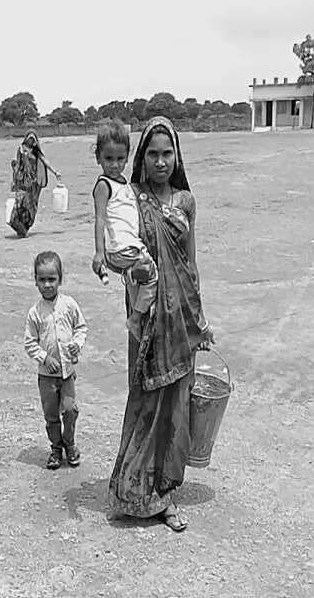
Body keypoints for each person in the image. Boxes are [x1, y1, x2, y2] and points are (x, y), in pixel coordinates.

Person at [108, 116, 214, 532]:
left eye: (167, 153)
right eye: (152, 153)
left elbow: (190, 262)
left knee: (176, 406)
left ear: (177, 156)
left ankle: (165, 492)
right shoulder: (131, 199)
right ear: (141, 157)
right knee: (145, 401)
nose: (160, 161)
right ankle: (134, 489)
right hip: (148, 319)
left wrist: (200, 319)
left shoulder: (186, 201)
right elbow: (122, 250)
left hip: (181, 319)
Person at [90, 119, 157, 341]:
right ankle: (136, 318)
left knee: (138, 290)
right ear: (98, 157)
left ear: (127, 157)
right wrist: (99, 252)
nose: (114, 165)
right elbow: (99, 219)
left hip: (128, 247)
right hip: (122, 249)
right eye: (108, 159)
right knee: (152, 275)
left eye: (120, 159)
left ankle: (138, 322)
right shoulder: (103, 185)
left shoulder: (124, 182)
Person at [24, 251, 88, 470]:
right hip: (46, 377)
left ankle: (70, 444)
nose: (47, 284)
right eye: (42, 280)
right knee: (51, 415)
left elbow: (81, 328)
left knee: (70, 410)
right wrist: (44, 357)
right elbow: (29, 343)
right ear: (35, 281)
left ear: (60, 279)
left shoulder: (69, 305)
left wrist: (76, 344)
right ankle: (56, 448)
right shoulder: (35, 313)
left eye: (52, 279)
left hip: (67, 373)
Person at [9, 131, 61, 237]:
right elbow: (18, 165)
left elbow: (45, 161)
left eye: (33, 139)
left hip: (34, 184)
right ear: (26, 139)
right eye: (30, 139)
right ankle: (18, 225)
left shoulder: (36, 151)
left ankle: (25, 228)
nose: (31, 141)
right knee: (20, 203)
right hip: (23, 182)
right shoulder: (21, 149)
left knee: (31, 206)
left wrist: (55, 172)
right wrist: (15, 175)